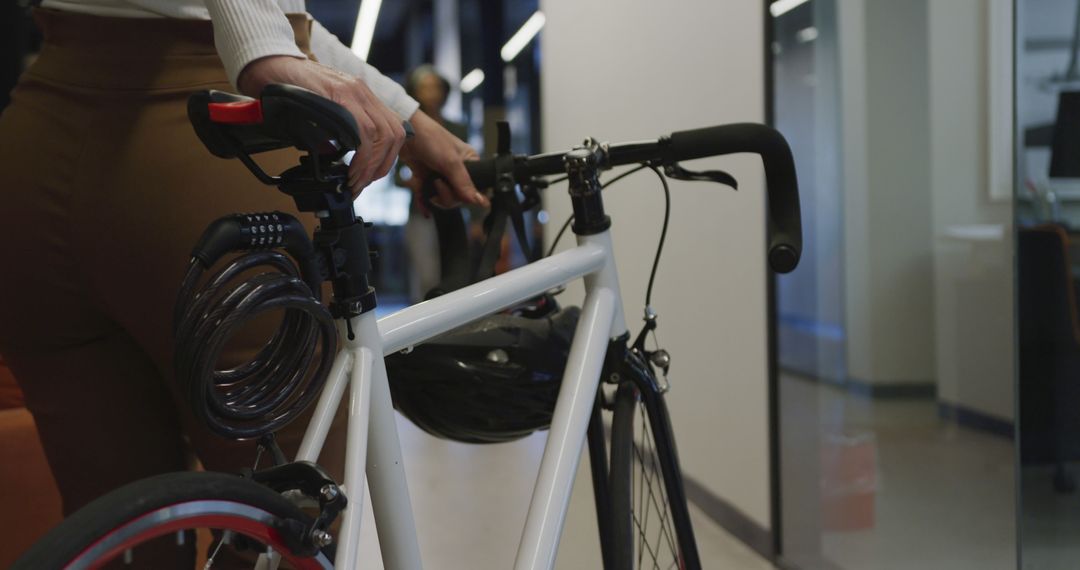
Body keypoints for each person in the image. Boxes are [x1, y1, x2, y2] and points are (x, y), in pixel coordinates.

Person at [0, 0, 488, 540]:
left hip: (34, 151)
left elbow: (287, 20)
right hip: (202, 141)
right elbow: (257, 24)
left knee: (121, 539)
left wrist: (409, 117)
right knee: (287, 527)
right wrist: (261, 48)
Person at [399, 64, 471, 301]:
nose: (432, 93)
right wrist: (416, 179)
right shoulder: (407, 130)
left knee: (455, 269)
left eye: (436, 87)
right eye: (425, 87)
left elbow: (467, 170)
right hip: (422, 211)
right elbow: (399, 175)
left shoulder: (456, 128)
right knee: (427, 275)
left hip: (453, 209)